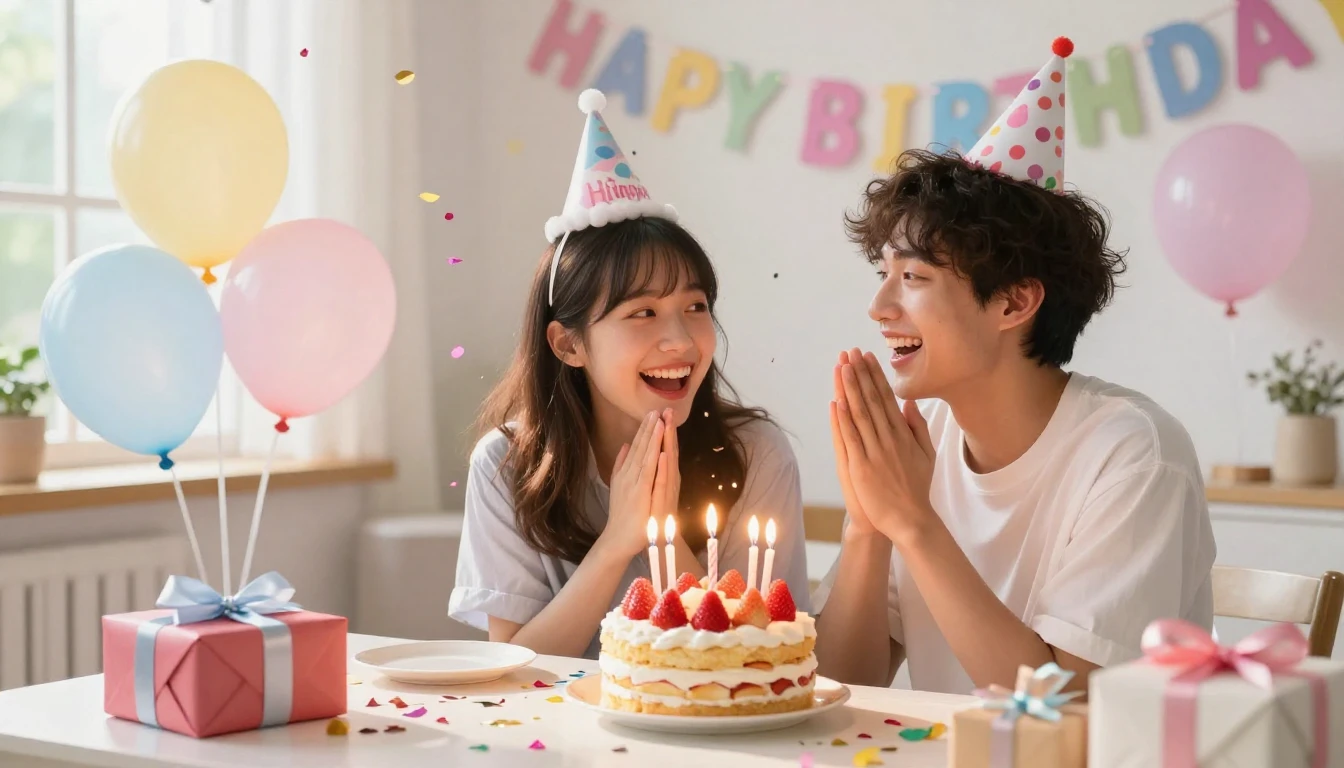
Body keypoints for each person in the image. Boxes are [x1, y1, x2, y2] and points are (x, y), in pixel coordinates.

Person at [813, 38, 1215, 695]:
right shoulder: (921, 446)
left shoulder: (1135, 455)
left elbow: (1065, 710)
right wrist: (867, 522)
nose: (878, 306)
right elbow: (837, 688)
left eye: (912, 277)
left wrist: (913, 523)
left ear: (1015, 300)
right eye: (883, 274)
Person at [449, 90, 809, 659]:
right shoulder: (506, 466)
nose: (683, 340)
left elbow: (757, 663)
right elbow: (514, 668)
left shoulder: (757, 454)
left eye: (695, 307)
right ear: (569, 344)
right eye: (642, 313)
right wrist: (620, 540)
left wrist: (661, 533)